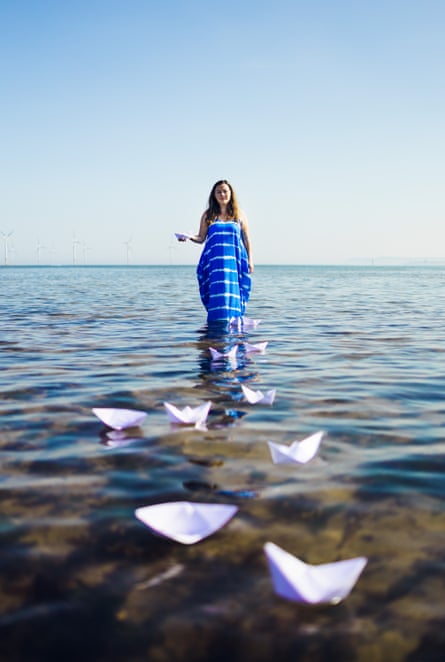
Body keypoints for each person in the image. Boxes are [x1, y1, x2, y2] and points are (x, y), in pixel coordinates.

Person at [178, 180, 253, 322]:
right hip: (215, 265)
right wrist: (188, 237)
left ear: (231, 193)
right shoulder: (208, 215)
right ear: (214, 195)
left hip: (234, 264)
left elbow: (246, 239)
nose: (222, 194)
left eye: (225, 191)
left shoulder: (239, 215)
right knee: (217, 294)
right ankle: (215, 334)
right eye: (218, 192)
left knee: (233, 294)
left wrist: (250, 260)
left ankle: (234, 329)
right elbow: (201, 238)